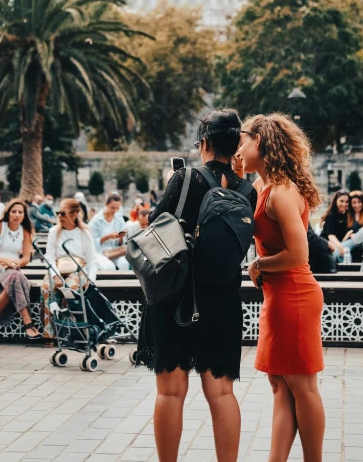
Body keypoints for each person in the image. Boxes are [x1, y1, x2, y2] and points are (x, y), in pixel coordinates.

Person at [137, 108, 256, 462]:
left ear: (203, 143)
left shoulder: (186, 178)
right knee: (221, 393)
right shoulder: (246, 189)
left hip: (176, 298)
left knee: (171, 393)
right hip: (222, 298)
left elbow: (156, 226)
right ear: (235, 145)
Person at [240, 113, 325, 462]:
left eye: (243, 140)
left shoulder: (282, 192)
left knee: (302, 387)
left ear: (260, 142)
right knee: (280, 385)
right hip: (279, 296)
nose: (239, 147)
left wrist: (259, 264)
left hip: (293, 295)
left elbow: (298, 253)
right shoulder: (264, 187)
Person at [0, 199, 41, 344]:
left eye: (20, 212)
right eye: (14, 211)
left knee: (13, 278)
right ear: (8, 213)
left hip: (12, 269)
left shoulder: (25, 230)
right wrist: (6, 262)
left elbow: (26, 258)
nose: (17, 215)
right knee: (15, 277)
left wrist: (15, 264)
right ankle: (28, 323)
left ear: (24, 215)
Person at [41, 197, 98, 339]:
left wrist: (91, 279)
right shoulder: (54, 231)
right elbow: (49, 256)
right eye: (58, 213)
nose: (59, 216)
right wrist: (55, 275)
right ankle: (49, 333)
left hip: (78, 270)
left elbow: (92, 260)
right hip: (58, 269)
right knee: (46, 288)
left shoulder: (84, 232)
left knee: (70, 289)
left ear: (74, 214)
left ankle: (71, 331)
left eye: (63, 213)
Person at [89, 194, 130, 271]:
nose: (115, 210)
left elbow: (121, 242)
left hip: (115, 251)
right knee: (109, 267)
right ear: (106, 204)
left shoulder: (119, 218)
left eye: (117, 208)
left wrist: (121, 236)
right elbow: (92, 243)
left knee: (124, 263)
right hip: (100, 252)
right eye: (112, 207)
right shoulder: (96, 220)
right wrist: (107, 237)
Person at [320, 190, 352, 259]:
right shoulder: (331, 215)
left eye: (347, 202)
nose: (344, 204)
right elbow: (331, 235)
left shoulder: (348, 214)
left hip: (341, 242)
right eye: (341, 201)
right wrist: (340, 246)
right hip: (328, 244)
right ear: (336, 201)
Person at [344, 191, 363, 263]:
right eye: (354, 202)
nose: (357, 205)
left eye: (359, 202)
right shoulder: (346, 215)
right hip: (350, 250)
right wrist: (350, 235)